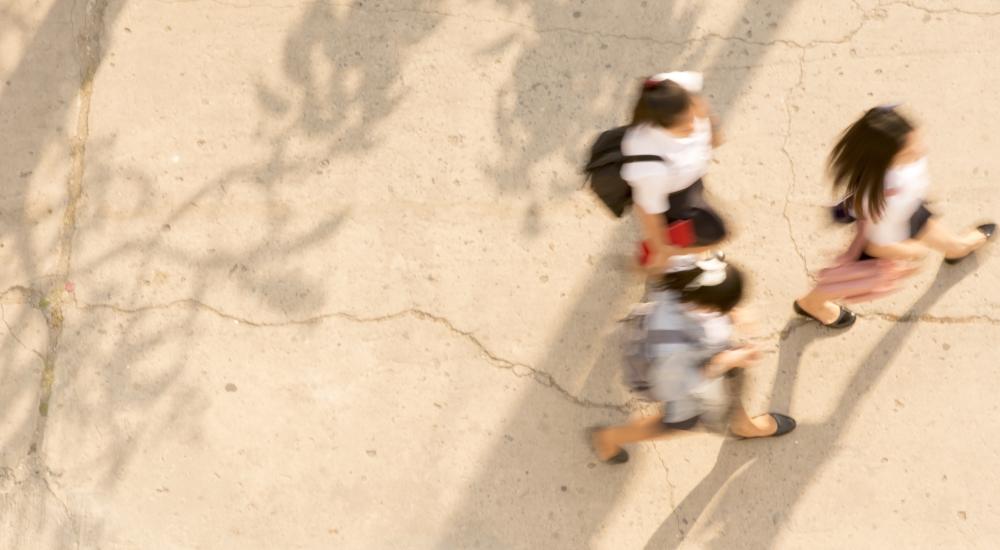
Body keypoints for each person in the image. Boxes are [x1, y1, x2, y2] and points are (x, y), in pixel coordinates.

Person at [794, 105, 996, 327]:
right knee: (843, 279)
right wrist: (914, 251)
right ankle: (812, 304)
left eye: (916, 140)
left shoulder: (894, 170)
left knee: (919, 220)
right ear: (888, 158)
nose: (920, 149)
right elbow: (876, 246)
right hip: (889, 227)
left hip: (907, 210)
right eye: (910, 151)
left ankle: (955, 247)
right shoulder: (886, 199)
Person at [590, 258, 796, 464]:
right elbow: (679, 385)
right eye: (723, 308)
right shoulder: (670, 344)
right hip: (674, 375)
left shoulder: (686, 275)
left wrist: (731, 315)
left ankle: (742, 425)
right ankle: (608, 438)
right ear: (707, 305)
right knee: (675, 423)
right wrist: (724, 360)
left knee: (728, 388)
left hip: (685, 352)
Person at [621, 72, 727, 271]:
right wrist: (660, 249)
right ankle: (666, 259)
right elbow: (648, 210)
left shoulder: (672, 88)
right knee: (715, 233)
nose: (692, 126)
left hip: (688, 180)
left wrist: (713, 128)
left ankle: (675, 252)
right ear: (660, 126)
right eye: (683, 125)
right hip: (673, 197)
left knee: (700, 232)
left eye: (691, 115)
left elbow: (696, 94)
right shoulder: (649, 166)